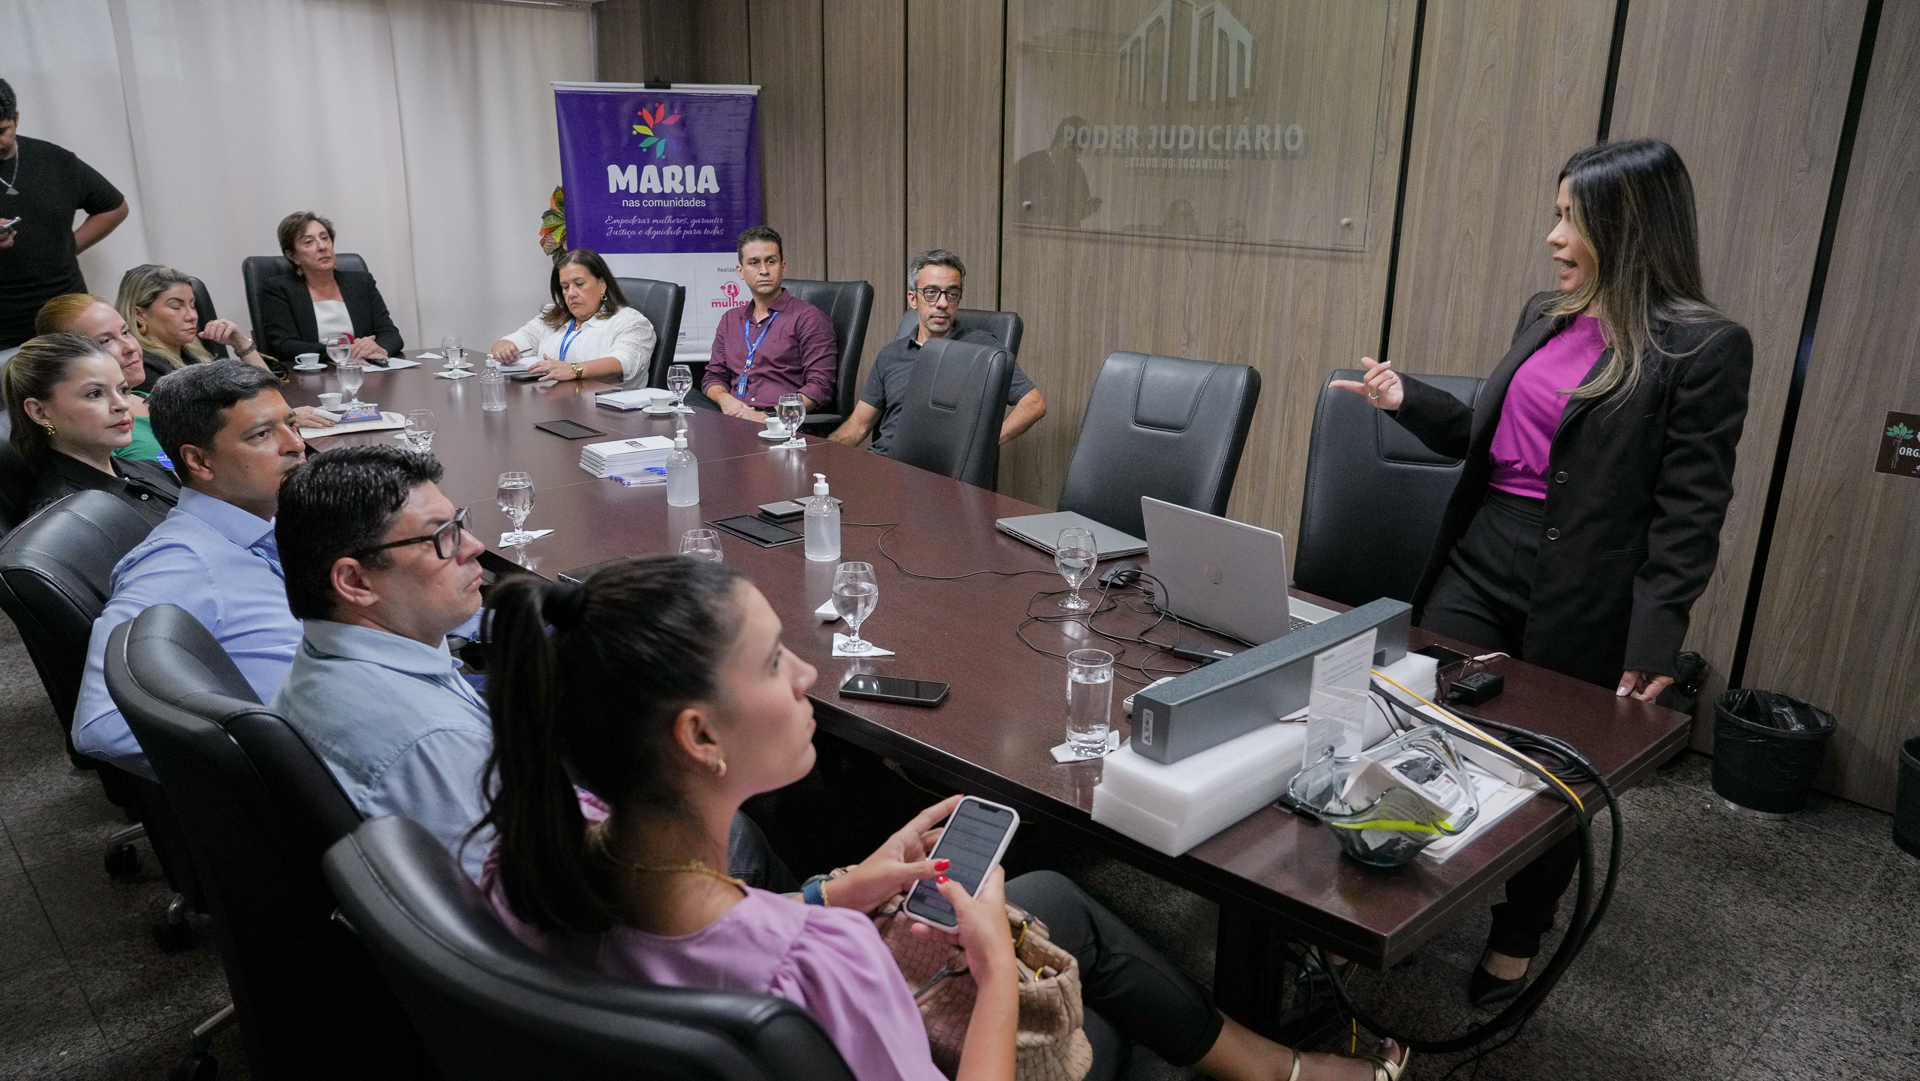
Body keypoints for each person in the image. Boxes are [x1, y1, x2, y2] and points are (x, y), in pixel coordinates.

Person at [477, 555, 1408, 1081]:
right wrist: (998, 974)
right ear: (699, 735)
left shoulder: (530, 860)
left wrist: (841, 884)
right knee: (1099, 1020)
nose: (807, 673)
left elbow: (716, 933)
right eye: (771, 663)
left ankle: (1278, 1068)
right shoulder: (821, 965)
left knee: (1048, 896)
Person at [1334, 138, 1752, 1005]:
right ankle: (1395, 899)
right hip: (1484, 555)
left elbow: (1690, 512)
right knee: (1425, 725)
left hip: (1588, 592)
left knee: (1552, 769)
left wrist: (1656, 637)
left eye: (1574, 218)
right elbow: (1489, 438)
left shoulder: (1701, 347)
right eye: (1558, 214)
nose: (1555, 236)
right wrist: (1406, 398)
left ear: (1628, 227)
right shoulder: (1546, 313)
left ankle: (1520, 929)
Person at [271, 447, 789, 889]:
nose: (473, 546)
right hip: (585, 961)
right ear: (355, 582)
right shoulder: (431, 744)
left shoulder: (325, 659)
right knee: (738, 825)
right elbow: (537, 916)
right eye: (441, 537)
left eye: (461, 524)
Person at [70, 362, 307, 780]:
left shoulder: (267, 523)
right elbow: (101, 724)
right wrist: (273, 758)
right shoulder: (180, 564)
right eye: (262, 434)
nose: (295, 445)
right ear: (199, 460)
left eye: (291, 424)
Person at [830, 249, 1046, 454]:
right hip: (883, 466)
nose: (942, 303)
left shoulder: (982, 349)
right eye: (931, 293)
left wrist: (982, 446)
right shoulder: (891, 354)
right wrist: (822, 455)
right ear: (913, 299)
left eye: (952, 294)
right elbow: (858, 426)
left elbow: (1033, 404)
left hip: (937, 477)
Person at [39, 292, 331, 438]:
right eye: (106, 341)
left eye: (124, 332)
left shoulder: (145, 400)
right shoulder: (108, 428)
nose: (129, 347)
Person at [0, 79, 130, 352]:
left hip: (66, 311)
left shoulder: (53, 160)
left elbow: (113, 207)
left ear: (17, 119)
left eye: (2, 131)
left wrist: (67, 246)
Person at [3, 333, 178, 525]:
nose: (122, 404)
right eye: (95, 394)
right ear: (40, 412)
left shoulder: (149, 469)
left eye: (123, 390)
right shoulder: (69, 518)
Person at [701, 226, 837, 421]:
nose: (763, 271)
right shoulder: (730, 320)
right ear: (740, 271)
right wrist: (725, 400)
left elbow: (819, 387)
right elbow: (714, 377)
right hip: (733, 421)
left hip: (781, 425)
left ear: (783, 267)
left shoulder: (809, 318)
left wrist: (767, 416)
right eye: (754, 263)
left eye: (770, 262)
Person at [488, 248, 656, 384]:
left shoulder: (631, 322)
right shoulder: (553, 315)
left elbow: (623, 362)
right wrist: (504, 349)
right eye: (565, 287)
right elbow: (510, 341)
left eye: (579, 284)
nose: (571, 293)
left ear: (602, 284)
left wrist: (574, 369)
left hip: (610, 414)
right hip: (555, 405)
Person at [257, 211, 404, 364]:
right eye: (309, 242)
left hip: (367, 371)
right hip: (313, 377)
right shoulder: (280, 289)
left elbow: (390, 333)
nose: (322, 247)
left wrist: (378, 349)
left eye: (325, 238)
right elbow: (284, 344)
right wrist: (341, 351)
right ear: (293, 256)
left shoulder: (362, 283)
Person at [115, 263, 271, 375]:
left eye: (193, 305)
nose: (193, 316)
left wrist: (241, 344)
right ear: (140, 315)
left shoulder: (192, 352)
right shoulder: (142, 367)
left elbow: (268, 393)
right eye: (176, 307)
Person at [1014, 117, 1101, 228]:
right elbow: (1013, 205)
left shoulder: (1078, 172)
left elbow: (1076, 214)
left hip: (1067, 241)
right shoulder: (1029, 165)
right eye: (1075, 150)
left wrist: (1089, 208)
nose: (1078, 155)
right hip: (1033, 239)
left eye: (1081, 150)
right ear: (1061, 143)